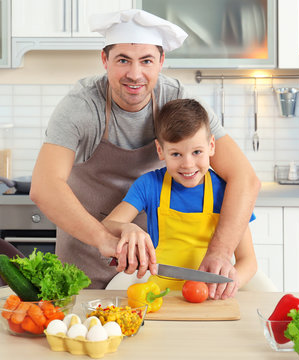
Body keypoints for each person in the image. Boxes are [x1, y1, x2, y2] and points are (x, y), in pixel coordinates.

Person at [30, 9, 261, 297]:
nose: (135, 74)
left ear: (161, 61)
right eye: (123, 60)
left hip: (150, 268)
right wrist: (103, 237)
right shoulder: (81, 106)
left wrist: (219, 251)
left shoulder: (178, 101)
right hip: (85, 257)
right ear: (105, 60)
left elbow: (244, 178)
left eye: (147, 61)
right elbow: (44, 186)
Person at [102, 99, 257, 297]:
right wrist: (127, 227)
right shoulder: (149, 185)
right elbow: (107, 225)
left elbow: (248, 260)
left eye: (197, 152)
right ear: (161, 151)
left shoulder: (227, 192)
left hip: (211, 299)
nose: (188, 164)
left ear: (211, 146)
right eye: (176, 154)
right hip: (160, 298)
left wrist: (231, 282)